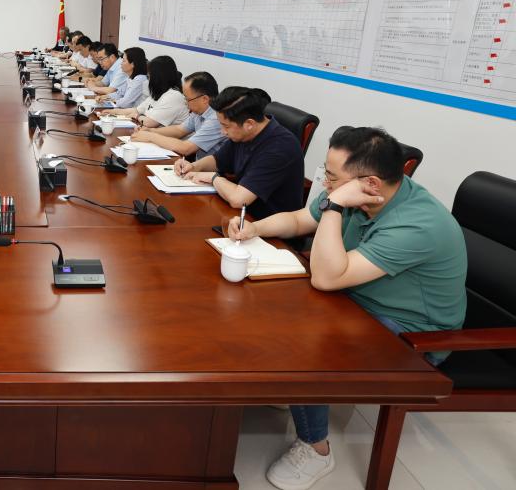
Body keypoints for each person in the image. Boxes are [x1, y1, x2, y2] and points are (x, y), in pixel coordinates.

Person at [227, 126, 467, 490]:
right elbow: (299, 220)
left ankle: (316, 448)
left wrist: (336, 205)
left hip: (413, 334)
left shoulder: (418, 224)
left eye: (332, 178)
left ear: (370, 184)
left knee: (310, 341)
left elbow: (326, 278)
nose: (325, 184)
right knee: (271, 302)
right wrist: (254, 228)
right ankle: (292, 388)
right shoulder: (358, 194)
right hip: (355, 298)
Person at [174, 87, 303, 218]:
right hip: (238, 213)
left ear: (249, 124)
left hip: (264, 223)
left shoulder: (280, 147)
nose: (222, 132)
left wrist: (213, 178)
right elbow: (217, 160)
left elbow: (239, 199)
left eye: (226, 126)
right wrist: (194, 166)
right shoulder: (244, 134)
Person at [130, 71, 227, 160]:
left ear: (204, 99)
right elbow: (179, 130)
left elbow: (186, 148)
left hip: (212, 171)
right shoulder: (198, 112)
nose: (186, 104)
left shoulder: (216, 118)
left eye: (187, 99)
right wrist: (150, 130)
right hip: (197, 166)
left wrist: (151, 136)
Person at [100, 54, 187, 127]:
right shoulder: (158, 92)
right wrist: (113, 112)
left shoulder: (173, 96)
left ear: (159, 77)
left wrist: (137, 116)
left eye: (150, 76)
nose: (149, 80)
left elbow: (150, 123)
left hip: (169, 140)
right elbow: (136, 110)